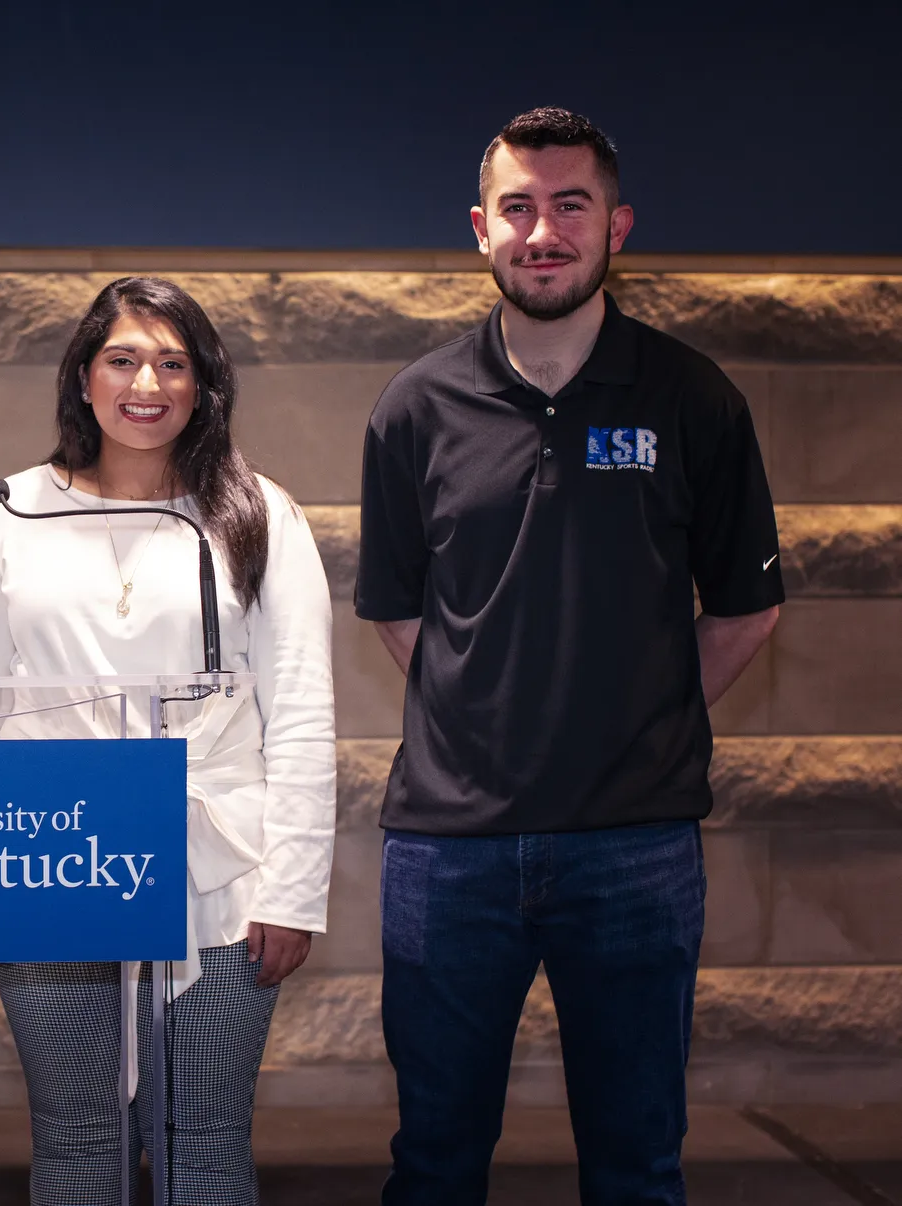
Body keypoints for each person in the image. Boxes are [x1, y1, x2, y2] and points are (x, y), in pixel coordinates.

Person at [356, 107, 785, 1206]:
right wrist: (488, 711)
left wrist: (632, 713)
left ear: (616, 226)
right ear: (478, 228)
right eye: (517, 208)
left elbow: (744, 611)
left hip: (634, 848)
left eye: (569, 206)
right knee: (434, 1161)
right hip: (450, 853)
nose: (541, 231)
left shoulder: (692, 399)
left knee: (637, 1166)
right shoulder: (414, 407)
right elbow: (402, 616)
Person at [0, 276, 336, 1204]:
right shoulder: (9, 510)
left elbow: (304, 712)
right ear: (83, 377)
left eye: (172, 362)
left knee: (203, 1147)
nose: (144, 382)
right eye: (121, 359)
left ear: (204, 385)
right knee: (76, 1147)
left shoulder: (257, 513)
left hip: (221, 871)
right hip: (47, 864)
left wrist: (293, 891)